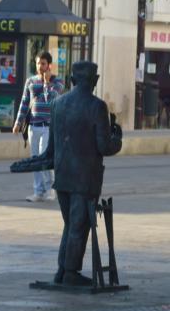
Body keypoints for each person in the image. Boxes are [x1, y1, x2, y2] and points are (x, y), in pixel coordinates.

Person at [11, 61, 122, 286]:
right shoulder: (97, 106)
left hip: (63, 177)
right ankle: (70, 272)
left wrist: (33, 162)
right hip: (85, 177)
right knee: (78, 226)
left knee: (70, 224)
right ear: (95, 81)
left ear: (72, 81)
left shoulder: (57, 104)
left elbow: (50, 149)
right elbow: (104, 147)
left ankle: (63, 270)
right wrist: (117, 139)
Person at [13, 52, 64, 202]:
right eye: (37, 63)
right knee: (35, 159)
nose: (40, 67)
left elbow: (52, 100)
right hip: (33, 126)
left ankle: (51, 189)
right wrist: (18, 122)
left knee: (44, 156)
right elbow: (24, 102)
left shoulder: (57, 82)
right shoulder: (30, 81)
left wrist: (46, 83)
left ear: (49, 65)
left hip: (48, 127)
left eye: (43, 63)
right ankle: (38, 191)